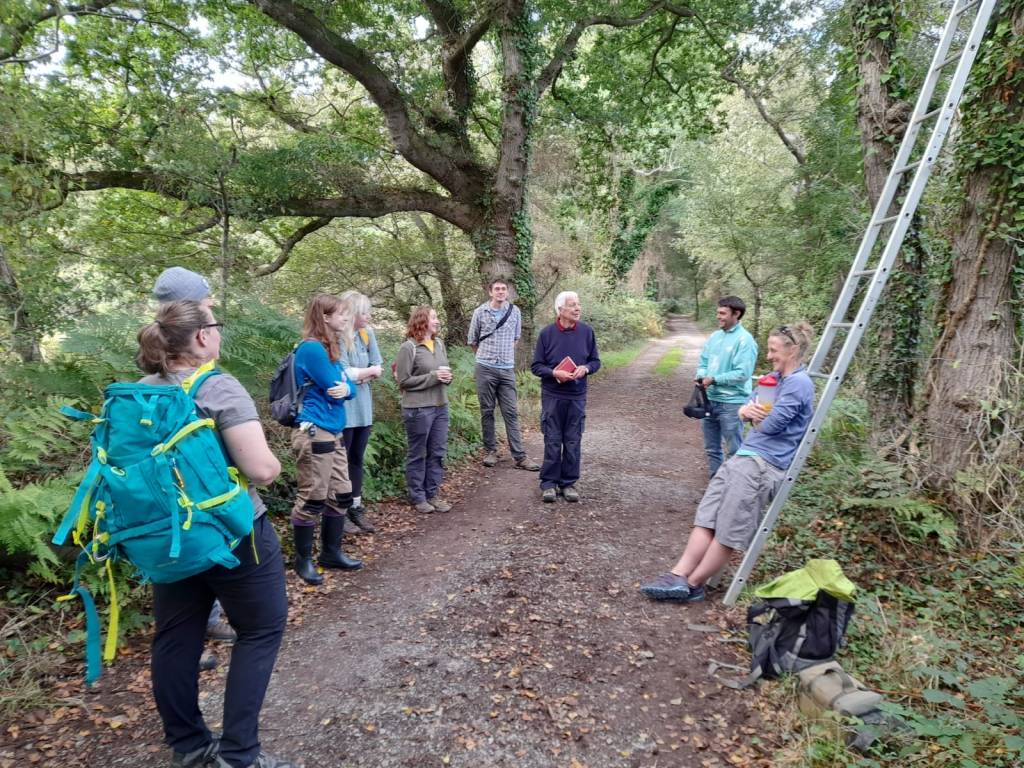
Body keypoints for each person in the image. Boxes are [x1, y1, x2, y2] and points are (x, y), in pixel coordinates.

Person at [137, 300, 293, 768]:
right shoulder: (216, 385)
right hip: (230, 533)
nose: (217, 333)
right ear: (202, 337)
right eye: (215, 326)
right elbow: (261, 470)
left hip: (165, 535)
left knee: (175, 634)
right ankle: (240, 755)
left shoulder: (138, 390)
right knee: (261, 630)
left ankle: (187, 745)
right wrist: (277, 463)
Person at [641, 322, 816, 604]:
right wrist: (749, 411)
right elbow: (747, 408)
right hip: (743, 457)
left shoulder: (799, 384)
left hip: (763, 465)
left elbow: (769, 426)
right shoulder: (774, 379)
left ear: (793, 349)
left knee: (729, 527)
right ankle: (677, 575)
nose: (769, 356)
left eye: (773, 350)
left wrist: (751, 413)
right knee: (707, 516)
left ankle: (694, 584)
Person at [152, 266, 234, 645]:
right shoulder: (185, 362)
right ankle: (192, 632)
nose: (212, 302)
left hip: (168, 486)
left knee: (184, 544)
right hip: (192, 481)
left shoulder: (154, 357)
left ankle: (202, 624)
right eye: (206, 297)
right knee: (194, 537)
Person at [290, 294, 361, 586]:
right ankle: (302, 560)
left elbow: (348, 389)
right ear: (325, 317)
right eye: (341, 314)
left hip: (334, 429)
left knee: (342, 493)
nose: (346, 318)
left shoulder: (332, 348)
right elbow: (335, 385)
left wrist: (346, 388)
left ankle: (331, 553)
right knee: (314, 495)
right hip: (314, 429)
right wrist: (345, 387)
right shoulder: (311, 349)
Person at [530, 291, 601, 503]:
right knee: (552, 440)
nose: (577, 308)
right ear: (560, 310)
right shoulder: (547, 334)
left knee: (573, 440)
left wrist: (586, 368)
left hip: (577, 396)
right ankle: (549, 484)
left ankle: (568, 483)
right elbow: (536, 366)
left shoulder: (587, 332)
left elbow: (596, 361)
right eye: (572, 305)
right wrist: (554, 373)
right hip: (552, 395)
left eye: (578, 304)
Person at [468, 278, 540, 471]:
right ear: (490, 292)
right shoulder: (479, 312)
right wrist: (487, 358)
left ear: (507, 292)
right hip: (485, 367)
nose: (500, 292)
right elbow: (472, 341)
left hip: (507, 369)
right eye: (497, 289)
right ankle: (491, 451)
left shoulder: (515, 312)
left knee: (511, 412)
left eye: (503, 289)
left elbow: (516, 338)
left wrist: (504, 357)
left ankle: (520, 456)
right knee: (487, 410)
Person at [395, 305, 453, 514]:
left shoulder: (439, 343)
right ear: (422, 321)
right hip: (418, 409)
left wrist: (447, 377)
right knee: (418, 452)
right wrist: (433, 377)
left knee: (437, 452)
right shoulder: (408, 348)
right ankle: (418, 496)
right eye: (434, 318)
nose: (437, 321)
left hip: (440, 406)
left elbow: (442, 372)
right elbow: (404, 381)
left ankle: (433, 493)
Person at [695, 296, 758, 478]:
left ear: (736, 314)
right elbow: (704, 361)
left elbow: (742, 373)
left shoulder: (745, 341)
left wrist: (714, 379)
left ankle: (733, 485)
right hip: (710, 401)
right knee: (711, 448)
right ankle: (716, 483)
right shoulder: (715, 337)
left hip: (732, 404)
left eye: (722, 313)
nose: (718, 317)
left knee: (734, 449)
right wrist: (700, 376)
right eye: (718, 313)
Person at [337, 290, 384, 533]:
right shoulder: (337, 337)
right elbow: (344, 373)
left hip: (364, 409)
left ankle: (356, 507)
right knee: (340, 461)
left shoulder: (367, 335)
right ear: (353, 313)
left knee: (356, 458)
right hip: (343, 411)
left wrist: (361, 374)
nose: (369, 316)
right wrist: (366, 374)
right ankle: (339, 511)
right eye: (364, 311)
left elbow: (379, 365)